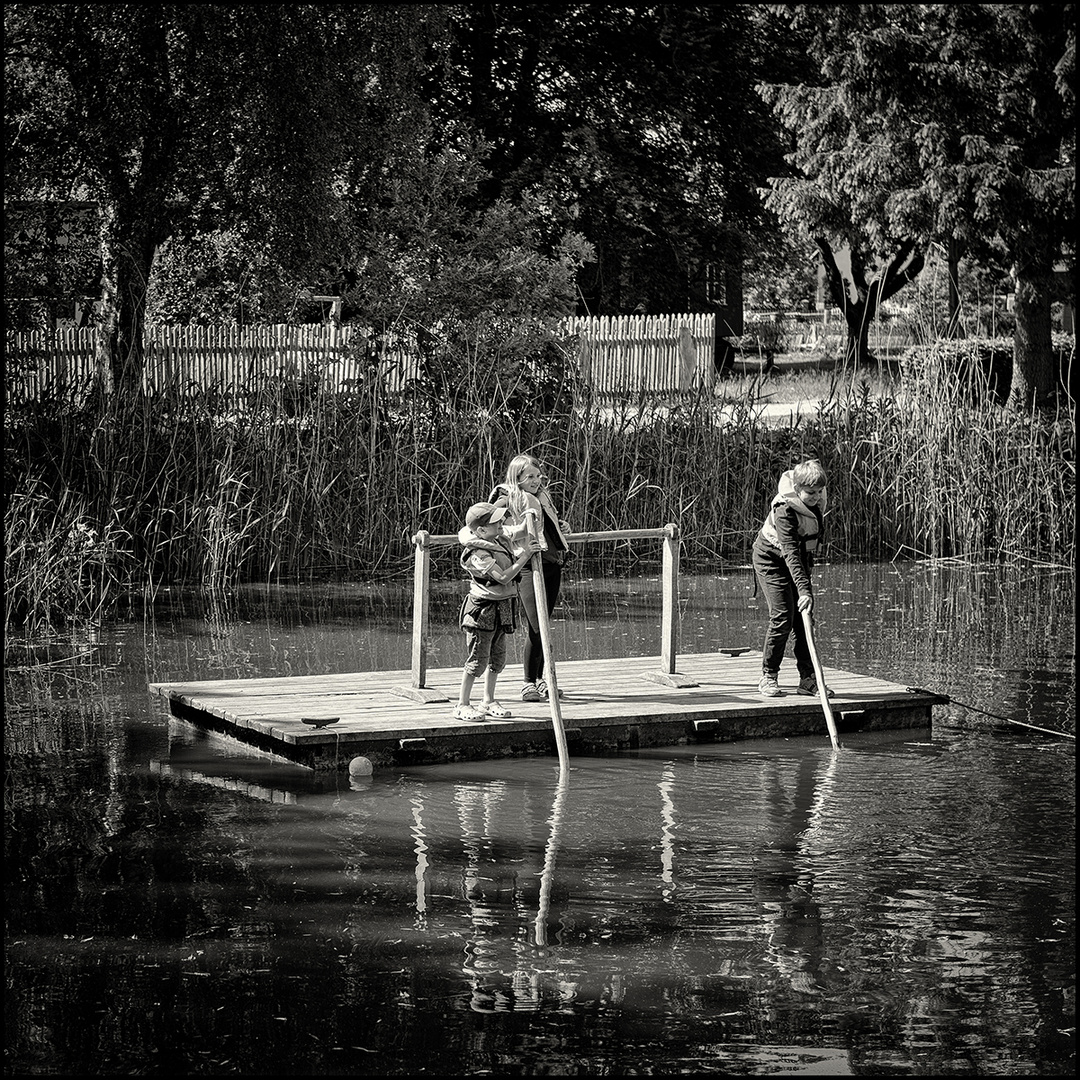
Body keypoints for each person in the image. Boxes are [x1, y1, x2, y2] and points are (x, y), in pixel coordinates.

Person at [489, 454, 573, 703]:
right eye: (530, 477)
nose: (536, 481)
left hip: (551, 564)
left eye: (539, 476)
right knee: (538, 627)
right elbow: (493, 529)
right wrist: (521, 532)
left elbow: (546, 527)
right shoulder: (506, 498)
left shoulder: (541, 496)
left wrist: (562, 527)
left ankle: (541, 680)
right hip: (527, 567)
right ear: (517, 478)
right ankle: (528, 683)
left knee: (544, 624)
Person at [751, 458, 833, 699]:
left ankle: (808, 680)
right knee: (783, 616)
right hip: (771, 560)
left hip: (798, 561)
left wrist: (805, 590)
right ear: (797, 489)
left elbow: (805, 550)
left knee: (804, 619)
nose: (816, 497)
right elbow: (789, 552)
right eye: (810, 493)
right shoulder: (784, 510)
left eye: (819, 492)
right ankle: (768, 676)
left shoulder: (815, 503)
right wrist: (804, 590)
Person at [454, 501, 540, 722]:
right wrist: (525, 556)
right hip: (482, 610)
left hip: (503, 606)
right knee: (477, 661)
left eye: (501, 519)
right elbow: (502, 577)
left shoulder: (498, 537)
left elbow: (518, 531)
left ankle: (488, 700)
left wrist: (531, 515)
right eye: (496, 522)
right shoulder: (478, 554)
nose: (501, 523)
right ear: (481, 530)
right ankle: (462, 704)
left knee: (498, 659)